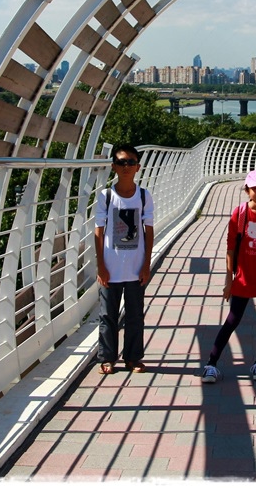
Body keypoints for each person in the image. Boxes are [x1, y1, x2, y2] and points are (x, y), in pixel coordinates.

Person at [201, 169, 256, 383]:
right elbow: (230, 249)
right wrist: (228, 280)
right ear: (247, 190)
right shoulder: (239, 215)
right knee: (232, 319)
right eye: (255, 188)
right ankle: (211, 364)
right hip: (244, 277)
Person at [94, 144, 155, 375]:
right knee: (107, 314)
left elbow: (148, 230)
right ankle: (107, 358)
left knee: (135, 315)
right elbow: (98, 231)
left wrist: (146, 265)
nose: (126, 166)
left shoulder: (143, 195)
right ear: (114, 167)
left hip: (135, 267)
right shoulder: (106, 196)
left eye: (130, 162)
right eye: (121, 162)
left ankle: (133, 358)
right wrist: (101, 265)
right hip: (110, 266)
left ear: (138, 167)